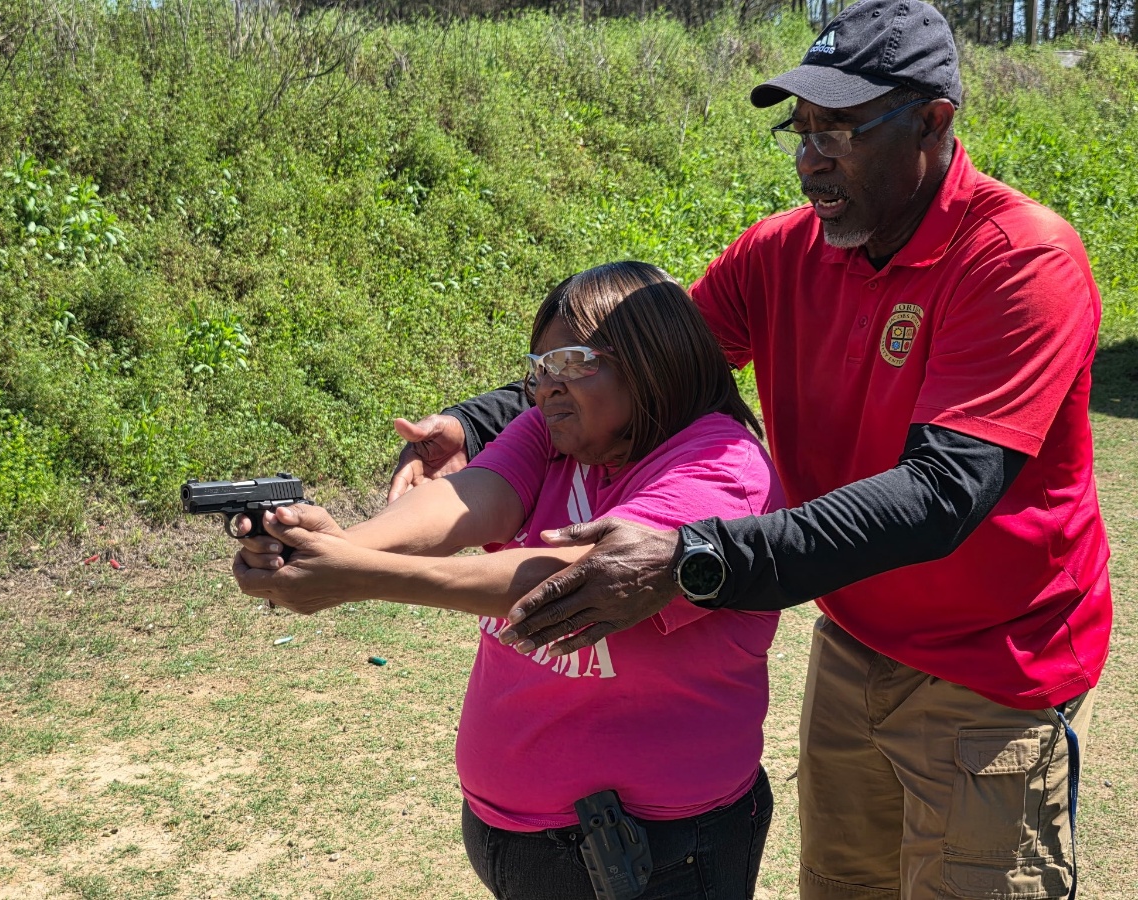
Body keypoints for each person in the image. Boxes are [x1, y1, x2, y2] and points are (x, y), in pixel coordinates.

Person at [384, 3, 1114, 899]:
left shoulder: (1016, 260)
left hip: (991, 671)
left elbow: (941, 494)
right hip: (853, 644)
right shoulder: (784, 253)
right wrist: (476, 420)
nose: (810, 157)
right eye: (800, 130)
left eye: (839, 129)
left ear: (933, 121)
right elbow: (641, 369)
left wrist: (694, 557)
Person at [233, 261, 785, 900]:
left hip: (657, 852)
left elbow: (584, 576)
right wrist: (328, 548)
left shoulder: (721, 466)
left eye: (572, 362)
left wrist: (358, 575)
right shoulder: (557, 434)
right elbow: (470, 498)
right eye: (539, 369)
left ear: (654, 359)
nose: (546, 385)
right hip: (525, 836)